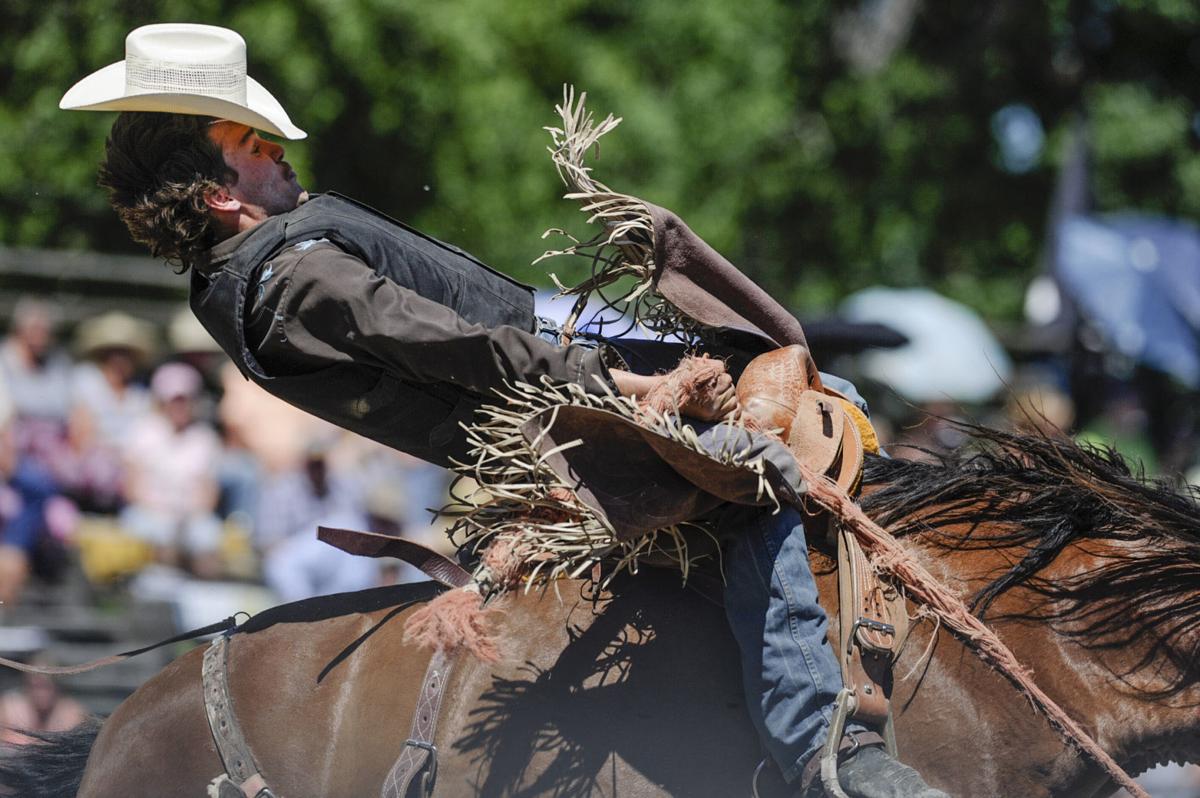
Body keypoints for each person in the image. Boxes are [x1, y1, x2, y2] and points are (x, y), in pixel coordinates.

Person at [62, 23, 947, 797]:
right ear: (220, 192)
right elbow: (450, 344)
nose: (275, 148)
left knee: (820, 397)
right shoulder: (293, 277)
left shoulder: (262, 265)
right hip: (552, 415)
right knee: (752, 470)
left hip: (548, 383)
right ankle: (819, 743)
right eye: (248, 140)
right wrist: (613, 384)